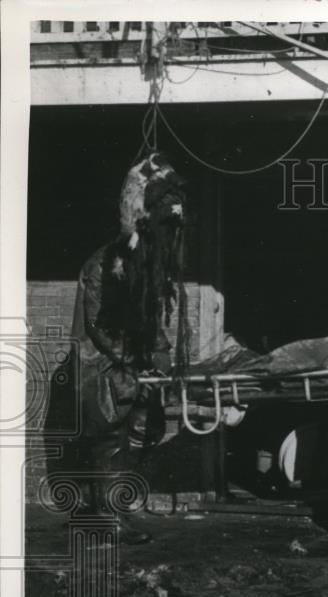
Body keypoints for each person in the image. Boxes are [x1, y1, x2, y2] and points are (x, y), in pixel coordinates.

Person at [71, 152, 189, 542]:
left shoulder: (148, 266)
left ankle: (111, 513)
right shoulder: (104, 264)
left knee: (130, 437)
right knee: (107, 439)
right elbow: (96, 323)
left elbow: (150, 319)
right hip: (99, 366)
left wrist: (161, 358)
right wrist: (132, 360)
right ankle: (107, 520)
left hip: (128, 367)